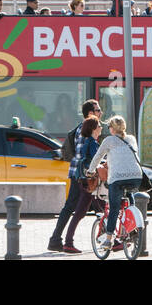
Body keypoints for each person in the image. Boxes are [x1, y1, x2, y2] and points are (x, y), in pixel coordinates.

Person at [47, 98, 102, 253]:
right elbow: (83, 155)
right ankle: (60, 240)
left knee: (92, 205)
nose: (101, 112)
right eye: (98, 110)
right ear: (91, 113)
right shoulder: (85, 129)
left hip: (79, 173)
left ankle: (57, 240)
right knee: (76, 207)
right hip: (82, 175)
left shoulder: (84, 128)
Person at [87, 115, 143, 250]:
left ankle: (108, 239)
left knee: (114, 208)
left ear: (112, 128)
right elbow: (126, 156)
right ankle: (131, 223)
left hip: (117, 178)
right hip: (136, 177)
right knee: (128, 194)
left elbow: (98, 156)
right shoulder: (131, 139)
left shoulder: (109, 140)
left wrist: (90, 171)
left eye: (109, 127)